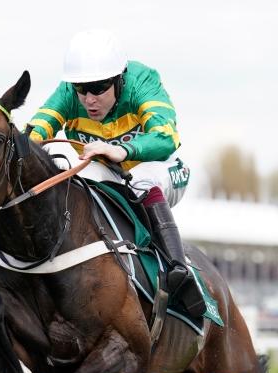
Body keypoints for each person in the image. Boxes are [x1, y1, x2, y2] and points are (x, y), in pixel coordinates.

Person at [27, 29, 205, 318]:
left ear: (119, 79)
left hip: (162, 170)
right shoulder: (69, 93)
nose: (89, 99)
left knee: (141, 181)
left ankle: (178, 271)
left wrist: (122, 150)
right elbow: (34, 134)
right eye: (81, 89)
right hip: (111, 176)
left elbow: (166, 137)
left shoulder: (142, 81)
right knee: (74, 183)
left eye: (99, 88)